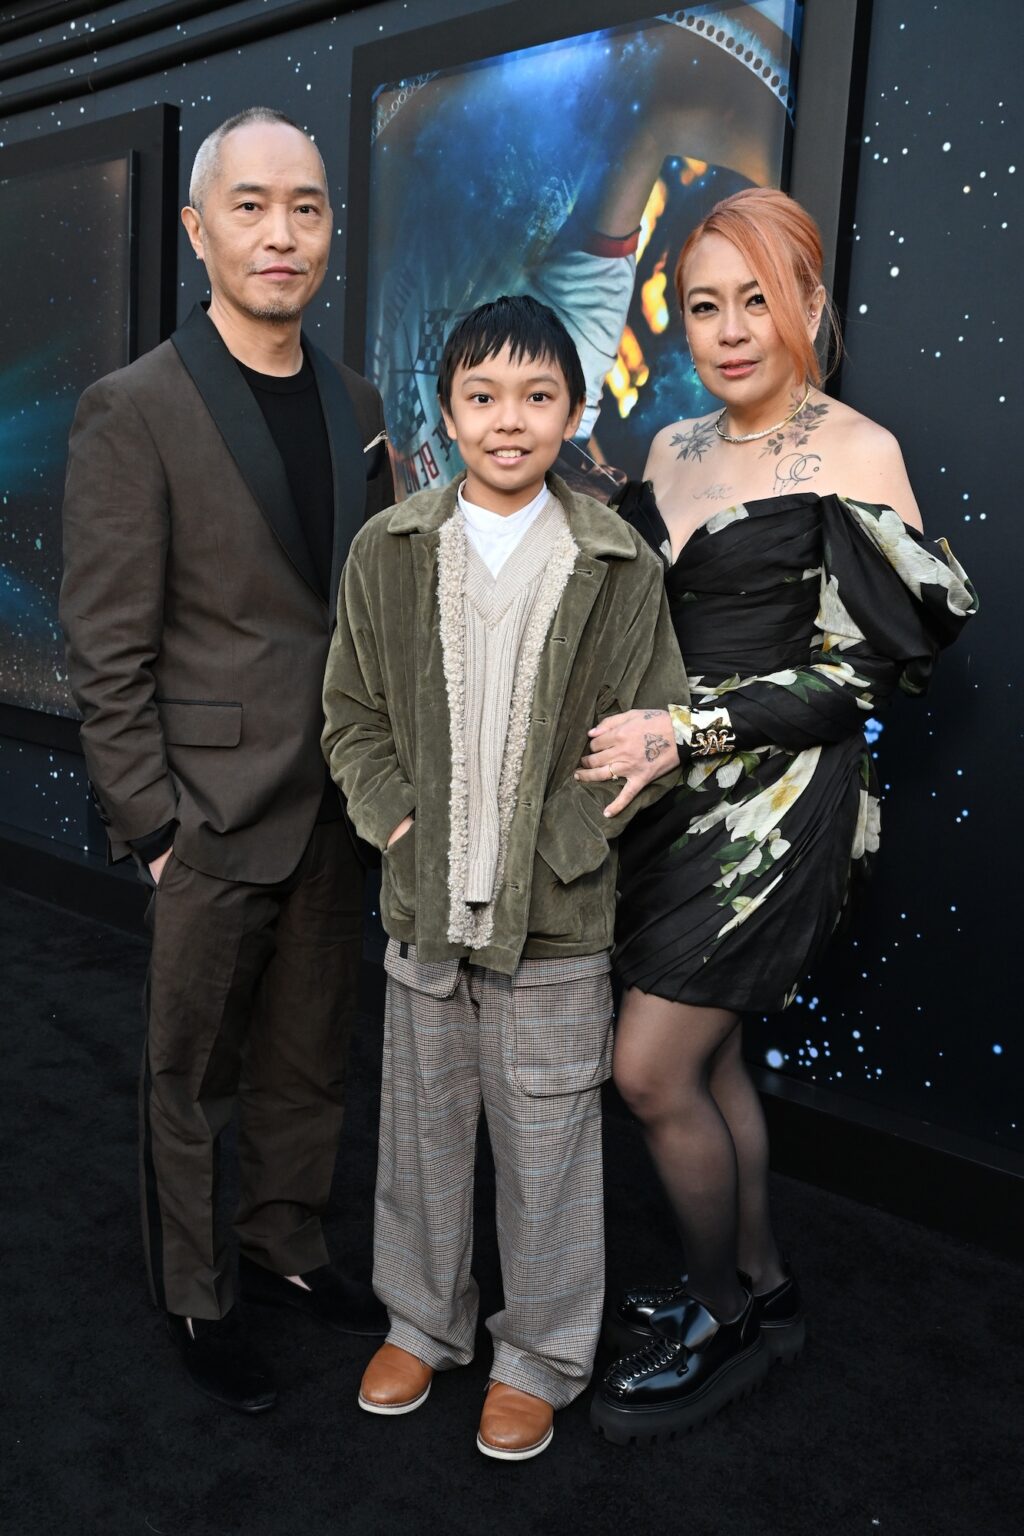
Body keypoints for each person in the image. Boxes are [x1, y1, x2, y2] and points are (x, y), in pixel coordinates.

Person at [574, 188, 978, 1444]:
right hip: (664, 801)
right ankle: (762, 1286)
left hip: (776, 813)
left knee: (645, 1071)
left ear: (810, 301)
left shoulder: (856, 453)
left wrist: (684, 732)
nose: (732, 329)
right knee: (710, 1060)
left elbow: (862, 677)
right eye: (704, 304)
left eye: (759, 298)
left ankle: (714, 1313)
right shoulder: (675, 447)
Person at [60, 107, 394, 1414]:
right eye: (251, 205)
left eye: (305, 207)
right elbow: (105, 640)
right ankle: (199, 1295)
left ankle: (286, 1246)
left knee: (311, 1050)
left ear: (327, 231)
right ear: (200, 230)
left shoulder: (355, 399)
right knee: (191, 1071)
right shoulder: (131, 407)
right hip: (204, 810)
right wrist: (149, 823)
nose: (281, 232)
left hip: (336, 804)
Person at [322, 295, 688, 1460]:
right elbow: (351, 715)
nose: (509, 420)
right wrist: (393, 826)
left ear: (573, 413)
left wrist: (566, 849)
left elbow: (651, 732)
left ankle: (537, 1355)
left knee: (547, 1146)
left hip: (557, 922)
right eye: (483, 396)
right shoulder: (389, 550)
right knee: (422, 1138)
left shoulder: (616, 560)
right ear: (447, 411)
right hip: (426, 907)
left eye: (537, 397)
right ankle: (422, 1324)